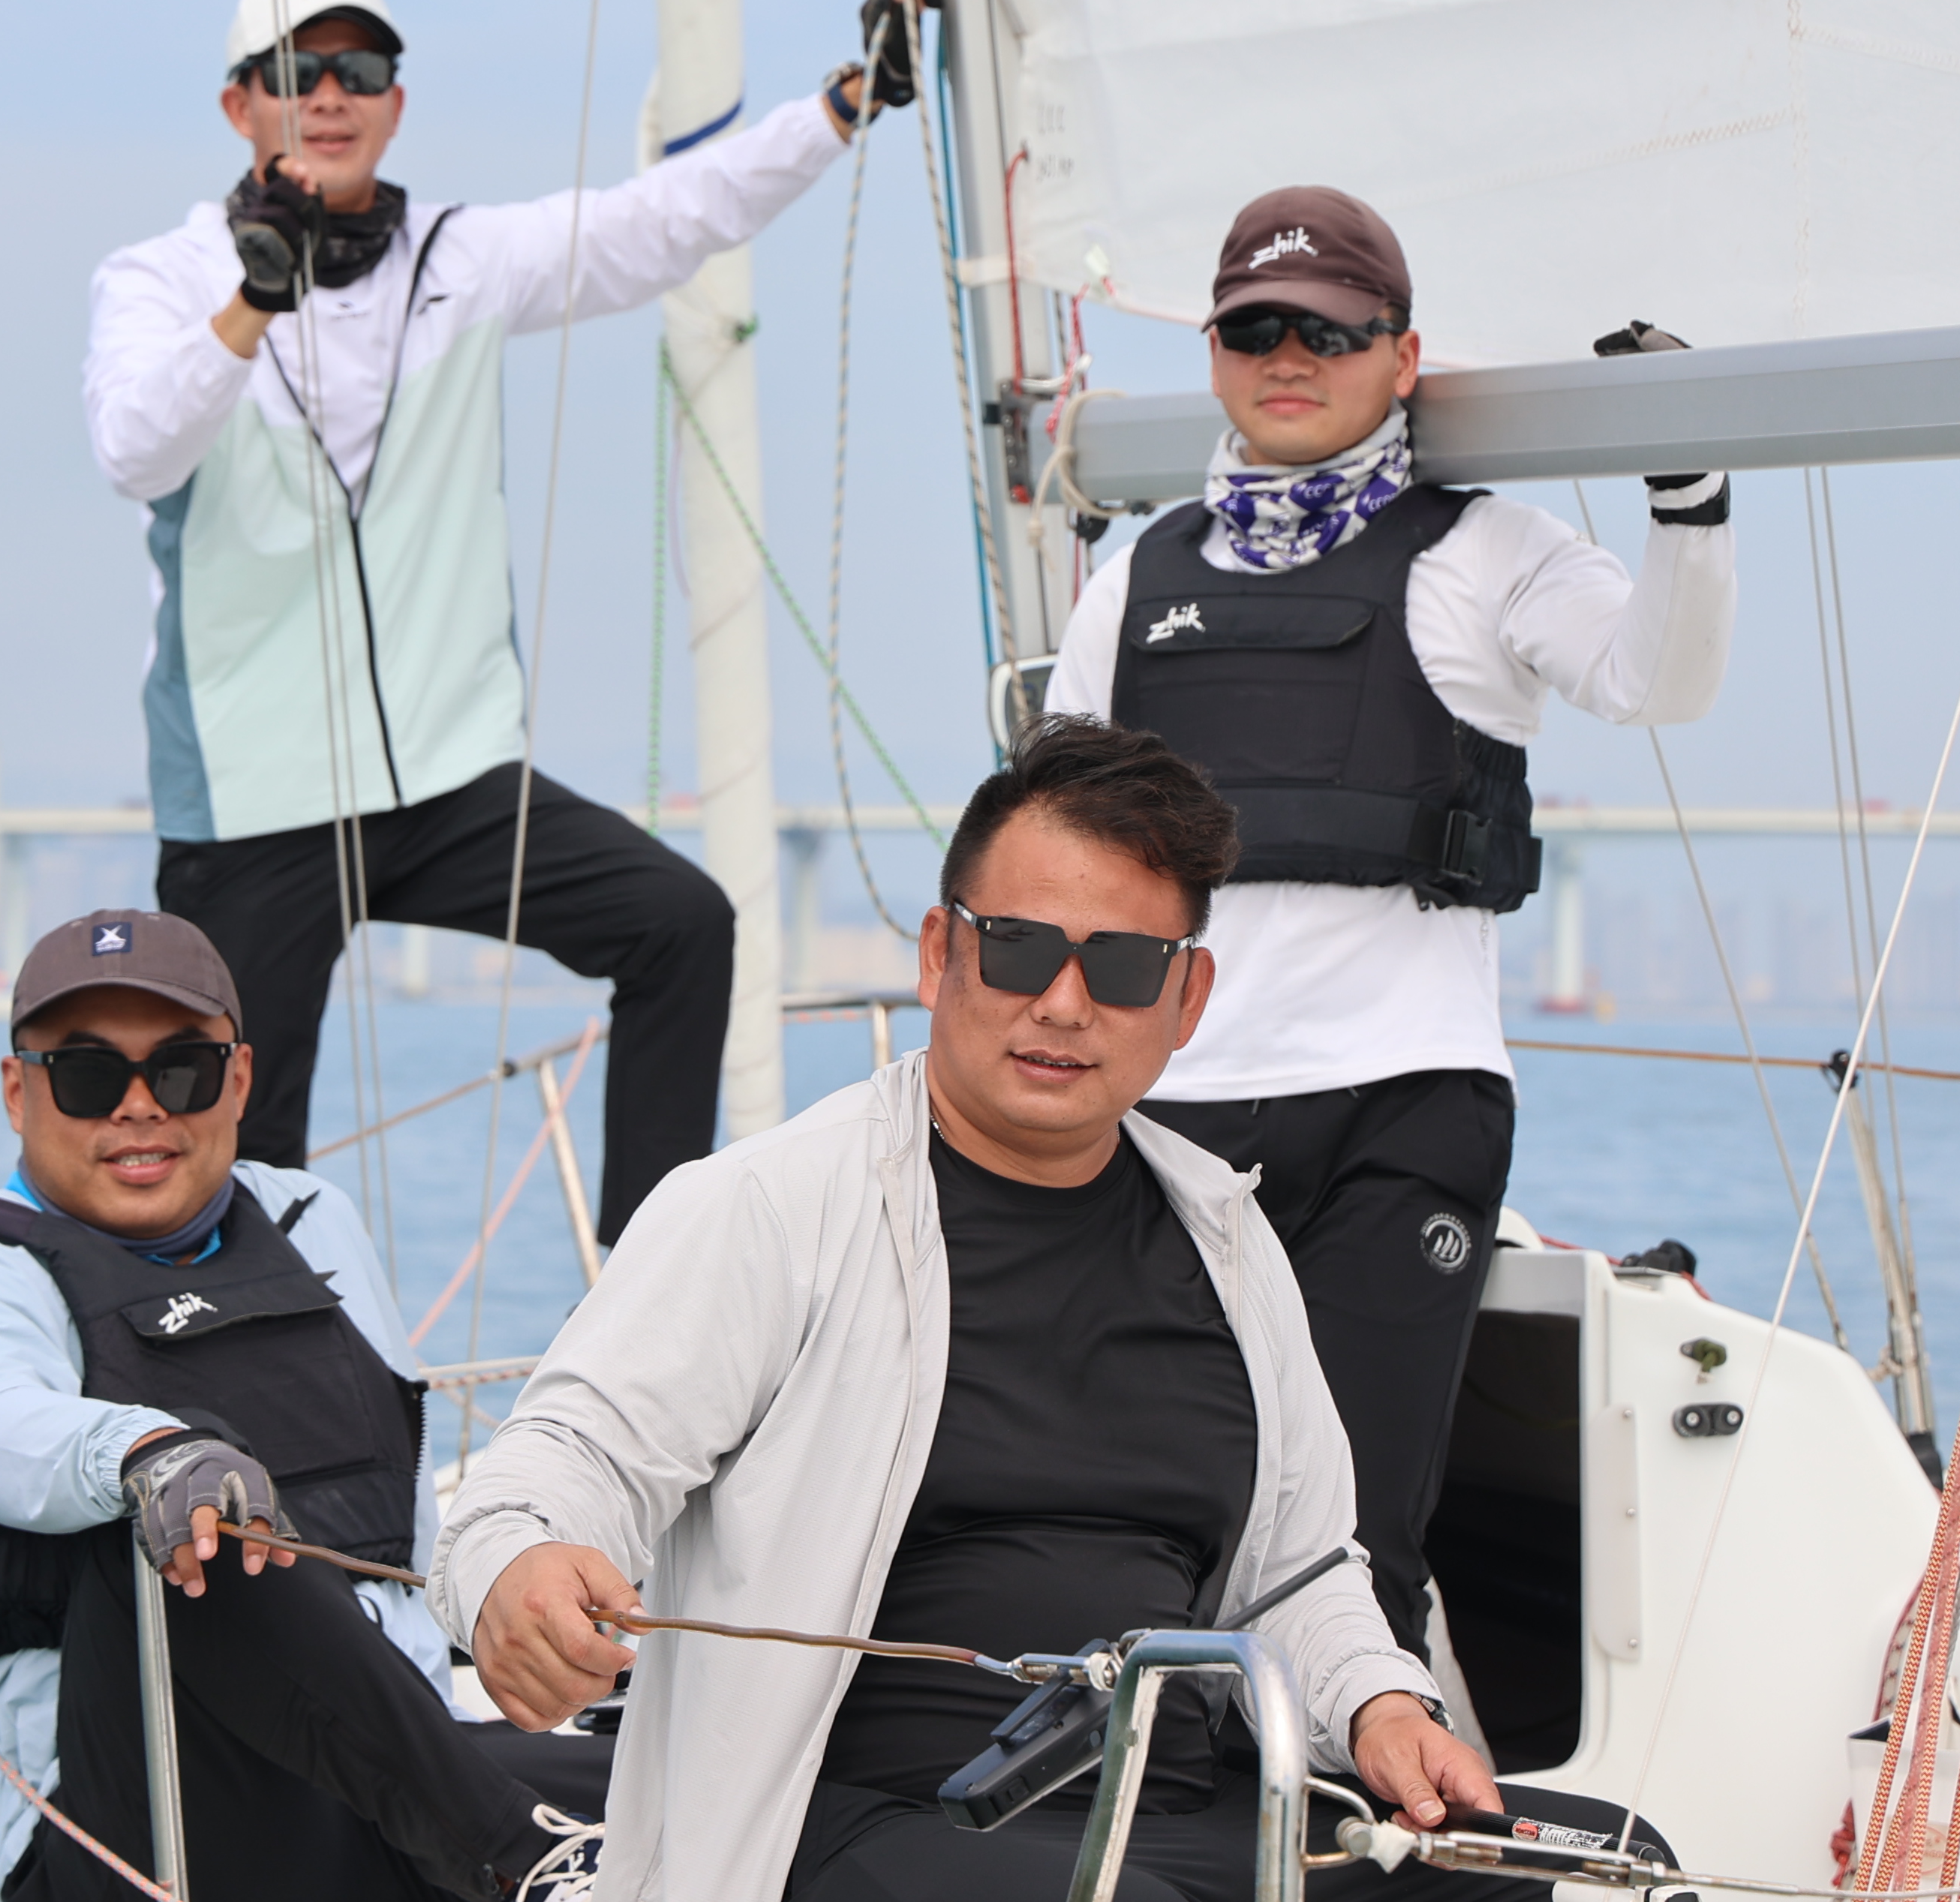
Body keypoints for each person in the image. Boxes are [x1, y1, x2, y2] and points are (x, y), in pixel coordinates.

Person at [432, 719, 1649, 1902]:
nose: (1064, 1004)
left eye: (1122, 967)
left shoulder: (1230, 1242)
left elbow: (1301, 1577)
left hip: (1183, 1815)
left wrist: (1384, 1708)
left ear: (1187, 997)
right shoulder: (769, 1208)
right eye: (1018, 949)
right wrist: (518, 1569)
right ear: (939, 955)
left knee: (1610, 1863)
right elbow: (566, 1460)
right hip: (863, 1821)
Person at [86, 0, 926, 1241]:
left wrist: (843, 105)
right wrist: (254, 299)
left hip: (448, 779)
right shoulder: (160, 278)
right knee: (236, 1151)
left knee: (680, 923)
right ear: (239, 104)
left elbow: (665, 221)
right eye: (299, 71)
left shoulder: (459, 258)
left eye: (361, 68)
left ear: (395, 103)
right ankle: (244, 1357)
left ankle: (652, 1282)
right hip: (254, 802)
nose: (331, 93)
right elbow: (136, 452)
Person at [1042, 187, 1737, 1654]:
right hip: (1165, 1120)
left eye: (1332, 332)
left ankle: (1358, 1781)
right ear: (1215, 353)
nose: (1289, 358)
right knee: (1146, 1514)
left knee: (1352, 1537)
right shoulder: (1133, 584)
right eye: (1253, 330)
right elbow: (1052, 851)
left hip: (1399, 1107)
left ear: (1403, 356)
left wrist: (1689, 496)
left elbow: (1656, 681)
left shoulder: (1489, 553)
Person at [0, 907, 614, 1901]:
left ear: (239, 1081)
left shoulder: (312, 1221)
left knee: (759, 1788)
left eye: (183, 1071)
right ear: (16, 1091)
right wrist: (154, 1455)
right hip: (149, 1826)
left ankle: (516, 1839)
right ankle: (515, 1855)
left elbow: (406, 1513)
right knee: (195, 1512)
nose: (138, 1108)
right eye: (86, 1075)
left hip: (408, 1779)